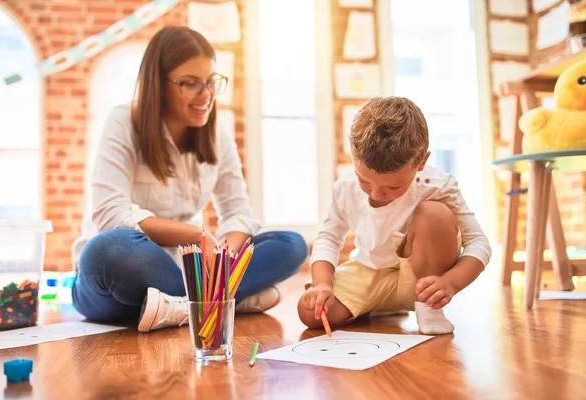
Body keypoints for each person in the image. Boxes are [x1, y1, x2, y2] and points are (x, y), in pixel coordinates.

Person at [71, 26, 308, 332]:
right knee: (109, 250)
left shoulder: (217, 133)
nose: (206, 95)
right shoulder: (123, 122)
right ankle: (225, 299)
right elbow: (109, 214)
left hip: (187, 272)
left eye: (211, 82)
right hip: (124, 276)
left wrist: (222, 258)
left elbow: (238, 213)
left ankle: (182, 306)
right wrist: (196, 236)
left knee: (291, 244)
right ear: (158, 85)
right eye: (190, 84)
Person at [298, 97, 491, 335]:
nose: (377, 193)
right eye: (365, 181)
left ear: (421, 162)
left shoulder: (438, 185)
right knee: (310, 311)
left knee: (436, 214)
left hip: (420, 282)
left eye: (394, 187)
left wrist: (450, 282)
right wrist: (322, 284)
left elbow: (479, 243)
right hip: (368, 274)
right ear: (353, 157)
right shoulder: (344, 188)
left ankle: (427, 309)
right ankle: (378, 306)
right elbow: (329, 238)